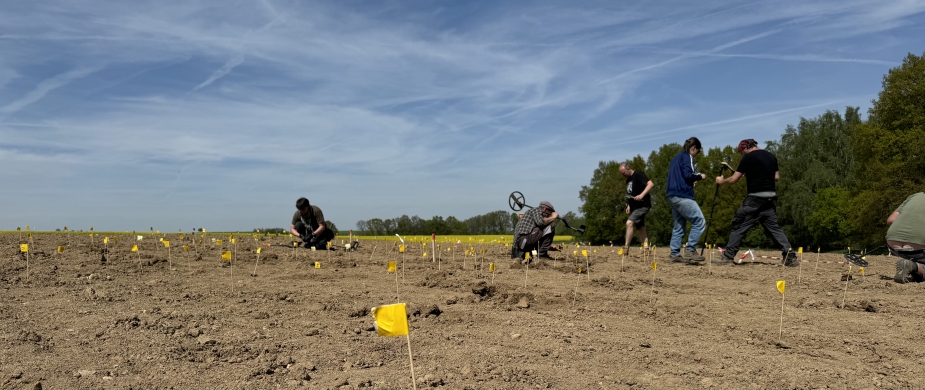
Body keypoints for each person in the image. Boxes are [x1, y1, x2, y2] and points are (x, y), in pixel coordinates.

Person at [714, 139, 798, 266]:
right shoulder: (771, 156)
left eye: (741, 153)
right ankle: (790, 256)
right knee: (774, 229)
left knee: (739, 225)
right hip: (770, 199)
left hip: (754, 199)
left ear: (744, 149)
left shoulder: (748, 158)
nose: (742, 155)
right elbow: (776, 177)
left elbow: (733, 180)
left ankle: (728, 256)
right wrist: (754, 175)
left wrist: (721, 181)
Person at [665, 137, 707, 264]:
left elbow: (681, 176)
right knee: (699, 221)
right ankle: (690, 250)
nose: (696, 155)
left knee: (679, 226)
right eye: (697, 152)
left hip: (672, 195)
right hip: (682, 195)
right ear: (693, 148)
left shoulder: (676, 159)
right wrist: (700, 176)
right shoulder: (687, 157)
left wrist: (689, 181)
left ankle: (674, 254)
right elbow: (688, 175)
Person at [887, 193, 925, 283]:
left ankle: (913, 270)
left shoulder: (915, 196)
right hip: (919, 247)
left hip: (893, 243)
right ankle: (915, 266)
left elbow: (890, 220)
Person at [619, 163, 654, 253]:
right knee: (640, 227)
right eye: (621, 174)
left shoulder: (638, 174)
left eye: (623, 173)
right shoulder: (628, 180)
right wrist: (629, 205)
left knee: (629, 223)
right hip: (635, 207)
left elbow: (650, 184)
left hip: (643, 205)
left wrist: (642, 195)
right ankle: (646, 248)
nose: (623, 175)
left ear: (628, 169)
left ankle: (626, 247)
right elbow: (631, 194)